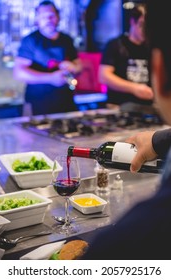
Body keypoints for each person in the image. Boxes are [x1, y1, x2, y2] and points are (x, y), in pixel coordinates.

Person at [83, 0, 171, 259]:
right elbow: (104, 76)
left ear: (159, 68)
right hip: (121, 110)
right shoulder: (116, 45)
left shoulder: (130, 241)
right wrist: (159, 140)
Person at [13, 1, 82, 116]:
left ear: (58, 17)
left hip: (66, 101)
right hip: (38, 103)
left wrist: (73, 67)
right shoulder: (31, 41)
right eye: (44, 17)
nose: (48, 19)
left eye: (51, 15)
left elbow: (79, 65)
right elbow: (18, 73)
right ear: (37, 19)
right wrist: (50, 78)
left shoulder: (66, 39)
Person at [99, 4, 154, 109]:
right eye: (142, 25)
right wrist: (134, 88)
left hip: (147, 107)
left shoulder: (152, 48)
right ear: (133, 22)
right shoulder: (115, 44)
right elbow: (104, 76)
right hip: (118, 106)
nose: (146, 31)